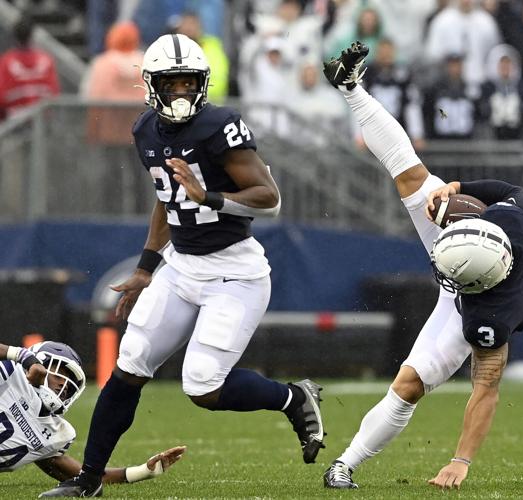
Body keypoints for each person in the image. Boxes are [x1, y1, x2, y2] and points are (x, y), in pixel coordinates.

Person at [39, 33, 325, 497]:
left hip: (235, 271)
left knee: (203, 388)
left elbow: (269, 198)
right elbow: (166, 200)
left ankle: (292, 396)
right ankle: (88, 479)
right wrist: (146, 268)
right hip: (180, 266)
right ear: (152, 86)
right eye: (170, 84)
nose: (180, 93)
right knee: (129, 366)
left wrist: (207, 194)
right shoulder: (144, 129)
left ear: (202, 83)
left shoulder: (220, 126)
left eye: (188, 83)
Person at [321, 42, 523, 490]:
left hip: (464, 300)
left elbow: (485, 390)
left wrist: (461, 460)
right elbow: (512, 188)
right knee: (412, 175)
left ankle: (344, 463)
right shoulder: (510, 215)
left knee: (409, 384)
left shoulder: (491, 315)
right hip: (472, 238)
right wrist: (457, 186)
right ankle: (351, 87)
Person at [0, 341, 184, 485]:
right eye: (59, 376)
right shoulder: (10, 373)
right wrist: (21, 355)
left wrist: (144, 471)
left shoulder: (55, 433)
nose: (63, 388)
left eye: (69, 386)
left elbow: (89, 476)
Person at [0, 18, 60, 120]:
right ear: (32, 35)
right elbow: (54, 92)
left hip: (15, 121)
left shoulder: (6, 61)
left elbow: (1, 96)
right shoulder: (46, 59)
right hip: (41, 121)